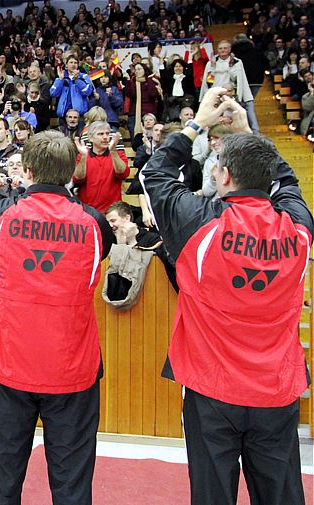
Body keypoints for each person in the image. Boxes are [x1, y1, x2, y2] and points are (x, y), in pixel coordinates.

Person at [140, 88, 313, 505]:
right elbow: (286, 182)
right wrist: (248, 132)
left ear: (222, 175)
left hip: (211, 391)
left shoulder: (198, 223)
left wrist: (195, 123)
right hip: (276, 388)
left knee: (212, 495)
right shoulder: (298, 229)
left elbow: (155, 176)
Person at [0, 130, 114, 505]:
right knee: (71, 483)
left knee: (0, 479)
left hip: (11, 361)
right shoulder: (94, 222)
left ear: (30, 169)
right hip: (71, 366)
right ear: (72, 171)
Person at [73, 121, 129, 213]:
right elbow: (78, 179)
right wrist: (83, 157)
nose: (105, 137)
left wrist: (113, 151)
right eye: (100, 134)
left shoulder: (118, 155)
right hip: (87, 211)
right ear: (91, 138)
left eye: (107, 134)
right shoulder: (82, 156)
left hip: (112, 212)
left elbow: (123, 174)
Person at [50, 54, 94, 119]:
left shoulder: (84, 76)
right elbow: (53, 93)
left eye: (75, 63)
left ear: (78, 65)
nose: (73, 64)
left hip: (79, 115)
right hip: (63, 114)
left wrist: (77, 80)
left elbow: (87, 92)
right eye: (71, 62)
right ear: (66, 65)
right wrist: (60, 80)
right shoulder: (60, 77)